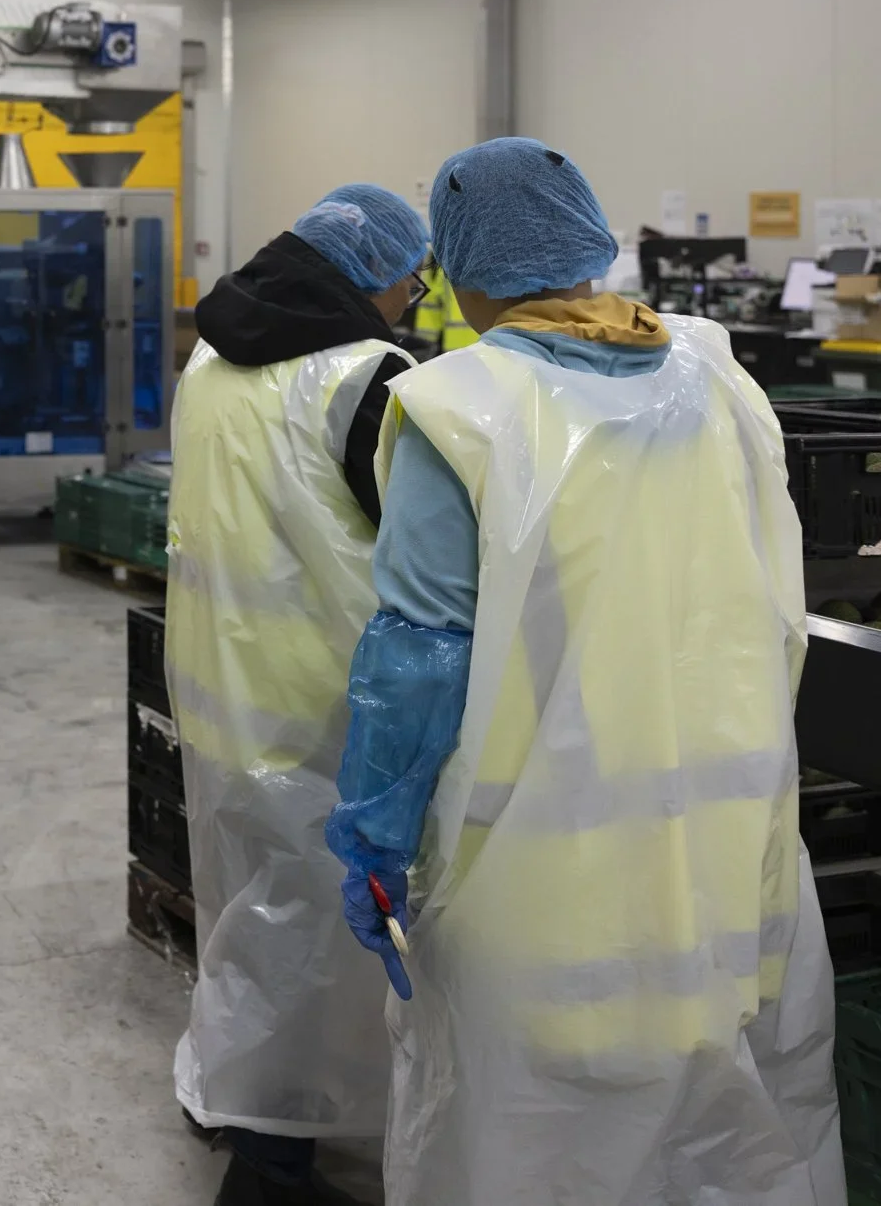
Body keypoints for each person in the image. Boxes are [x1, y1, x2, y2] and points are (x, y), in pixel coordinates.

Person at [326, 138, 842, 1206]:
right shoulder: (718, 380)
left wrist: (377, 832)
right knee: (718, 1131)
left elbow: (417, 659)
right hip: (726, 849)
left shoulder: (460, 407)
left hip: (541, 880)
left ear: (461, 265)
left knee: (538, 1142)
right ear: (591, 245)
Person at [166, 186, 429, 1206]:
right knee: (320, 929)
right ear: (375, 275)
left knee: (245, 901)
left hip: (221, 684)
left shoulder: (209, 355)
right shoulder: (369, 377)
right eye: (412, 279)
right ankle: (275, 1159)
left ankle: (235, 1091)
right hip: (327, 701)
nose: (414, 298)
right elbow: (425, 555)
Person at [409, 264, 476, 355]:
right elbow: (430, 306)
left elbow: (430, 307)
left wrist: (424, 348)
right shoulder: (493, 257)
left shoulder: (439, 258)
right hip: (489, 346)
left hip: (454, 350)